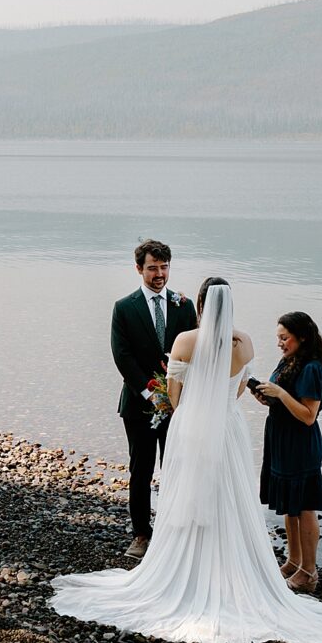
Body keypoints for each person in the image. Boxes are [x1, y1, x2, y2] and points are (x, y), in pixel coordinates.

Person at [50, 281, 322, 643]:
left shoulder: (185, 341)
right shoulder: (245, 342)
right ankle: (238, 568)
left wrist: (187, 405)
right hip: (228, 426)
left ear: (201, 305)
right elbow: (237, 391)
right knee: (231, 495)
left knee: (191, 490)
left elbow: (174, 398)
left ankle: (187, 568)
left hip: (192, 425)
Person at [110, 238, 197, 560]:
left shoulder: (184, 305)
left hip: (178, 406)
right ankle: (142, 535)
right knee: (141, 470)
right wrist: (150, 392)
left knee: (176, 468)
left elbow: (193, 354)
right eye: (152, 268)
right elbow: (122, 355)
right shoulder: (124, 307)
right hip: (138, 404)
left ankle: (174, 531)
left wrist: (176, 395)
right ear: (138, 269)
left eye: (164, 267)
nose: (159, 274)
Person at [254, 311, 322, 594]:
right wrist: (266, 397)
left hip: (300, 443)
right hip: (281, 438)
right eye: (278, 338)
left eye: (284, 338)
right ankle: (294, 560)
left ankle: (309, 572)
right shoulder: (290, 360)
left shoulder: (312, 368)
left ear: (302, 337)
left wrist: (281, 395)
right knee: (289, 504)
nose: (280, 344)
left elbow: (308, 415)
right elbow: (284, 401)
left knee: (305, 506)